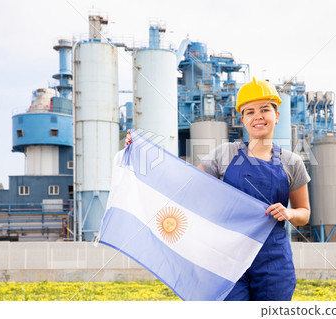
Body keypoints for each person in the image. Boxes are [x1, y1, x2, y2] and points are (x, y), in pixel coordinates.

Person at [126, 78, 311, 301]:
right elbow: (186, 184)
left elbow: (304, 213)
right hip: (227, 260)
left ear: (277, 115)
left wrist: (289, 213)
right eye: (250, 111)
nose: (258, 116)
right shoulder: (225, 154)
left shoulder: (292, 162)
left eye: (265, 109)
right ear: (243, 119)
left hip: (273, 263)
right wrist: (142, 152)